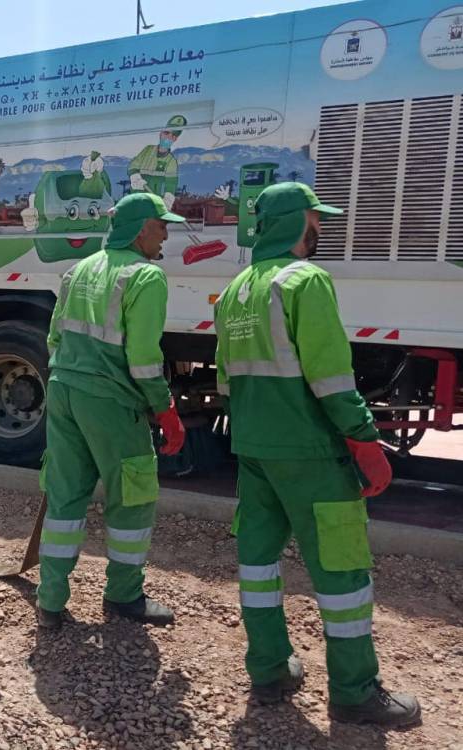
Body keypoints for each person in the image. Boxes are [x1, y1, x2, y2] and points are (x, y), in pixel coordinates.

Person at [213, 182, 420, 727]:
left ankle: (270, 669)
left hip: (254, 450)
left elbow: (226, 378)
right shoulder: (305, 281)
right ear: (293, 223)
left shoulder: (237, 288)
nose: (320, 228)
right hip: (310, 452)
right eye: (315, 218)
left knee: (258, 563)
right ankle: (353, 691)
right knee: (343, 571)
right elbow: (331, 375)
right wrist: (363, 437)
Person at [37, 192, 186, 630]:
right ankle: (123, 596)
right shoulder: (146, 277)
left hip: (63, 389)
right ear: (142, 229)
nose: (166, 235)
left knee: (65, 496)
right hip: (111, 402)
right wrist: (165, 409)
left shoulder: (79, 269)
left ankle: (50, 603)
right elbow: (142, 358)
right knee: (132, 498)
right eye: (162, 226)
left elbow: (54, 337)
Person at [128, 115, 187, 210]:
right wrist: (135, 176)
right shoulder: (147, 150)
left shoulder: (171, 162)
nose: (168, 137)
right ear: (161, 133)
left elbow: (170, 185)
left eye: (173, 135)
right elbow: (133, 165)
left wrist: (167, 201)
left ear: (175, 139)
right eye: (166, 133)